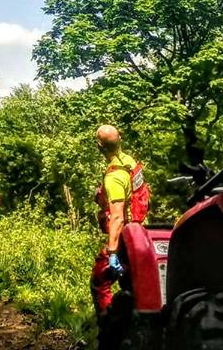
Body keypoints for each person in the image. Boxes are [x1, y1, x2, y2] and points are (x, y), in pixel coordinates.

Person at [90, 124, 150, 318]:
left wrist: (113, 252)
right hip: (140, 232)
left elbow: (117, 216)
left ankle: (106, 331)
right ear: (120, 138)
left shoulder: (114, 176)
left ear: (99, 146)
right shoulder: (130, 162)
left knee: (99, 282)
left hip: (125, 238)